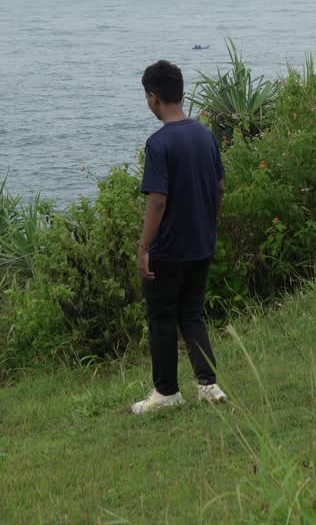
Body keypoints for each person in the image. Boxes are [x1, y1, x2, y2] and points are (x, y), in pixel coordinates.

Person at [130, 60, 229, 414]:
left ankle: (166, 392)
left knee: (161, 318)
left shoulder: (159, 143)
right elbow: (219, 187)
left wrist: (144, 248)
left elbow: (157, 200)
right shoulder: (204, 135)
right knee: (192, 314)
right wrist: (209, 224)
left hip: (168, 249)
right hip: (201, 243)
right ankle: (208, 384)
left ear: (153, 98)